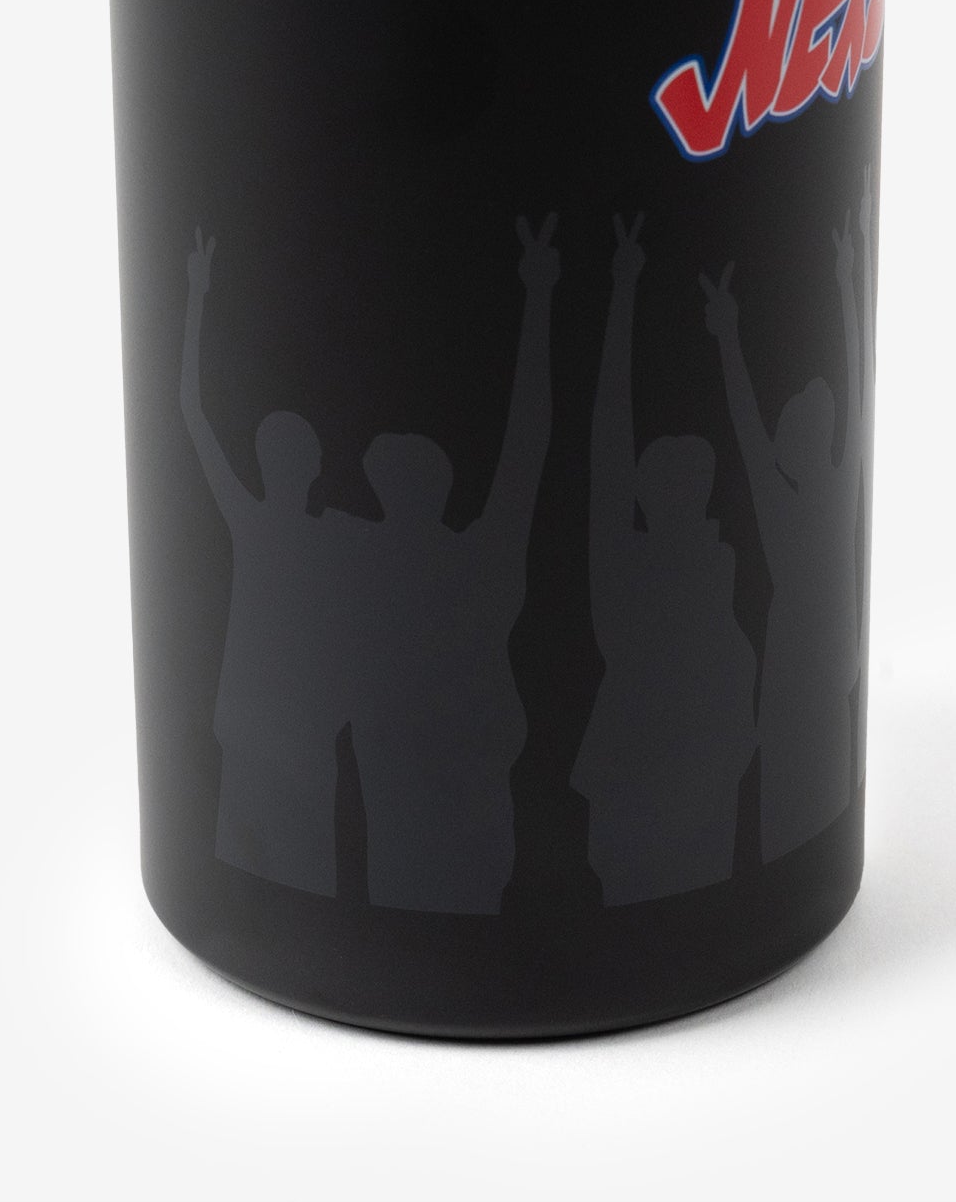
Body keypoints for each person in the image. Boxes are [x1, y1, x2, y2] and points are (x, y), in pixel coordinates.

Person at [351, 215, 559, 914]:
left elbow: (527, 444)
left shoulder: (368, 564)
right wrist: (539, 300)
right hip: (451, 782)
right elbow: (527, 445)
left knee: (416, 895)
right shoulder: (476, 558)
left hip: (431, 781)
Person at [573, 214, 759, 904]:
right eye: (672, 481)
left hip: (708, 767)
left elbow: (613, 451)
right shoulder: (627, 563)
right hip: (643, 772)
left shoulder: (711, 565)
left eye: (695, 481)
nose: (687, 493)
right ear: (647, 496)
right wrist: (622, 294)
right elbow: (609, 440)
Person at [180, 229, 364, 896]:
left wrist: (197, 298)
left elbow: (195, 414)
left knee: (284, 871)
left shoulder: (267, 522)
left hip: (284, 731)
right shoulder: (310, 530)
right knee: (281, 871)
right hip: (275, 730)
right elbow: (195, 416)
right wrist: (196, 296)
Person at [699, 177, 872, 861]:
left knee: (802, 806)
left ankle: (791, 869)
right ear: (801, 440)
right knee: (793, 806)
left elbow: (848, 382)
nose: (819, 399)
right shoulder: (809, 492)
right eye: (810, 408)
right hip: (806, 672)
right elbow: (752, 418)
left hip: (813, 668)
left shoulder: (824, 486)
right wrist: (847, 281)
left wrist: (847, 279)